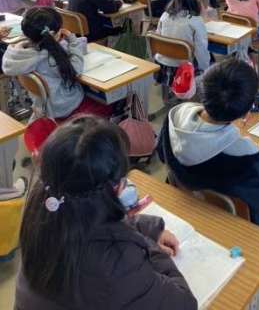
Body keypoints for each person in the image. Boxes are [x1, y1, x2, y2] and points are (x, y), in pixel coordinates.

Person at [15, 116, 197, 310]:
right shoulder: (118, 264)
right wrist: (149, 245)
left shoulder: (44, 205)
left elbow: (88, 221)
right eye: (123, 180)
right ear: (115, 189)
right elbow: (184, 303)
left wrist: (147, 227)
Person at [159, 59, 259, 227]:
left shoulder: (174, 115)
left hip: (187, 198)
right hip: (231, 221)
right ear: (246, 113)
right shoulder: (246, 155)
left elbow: (161, 154)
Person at [2, 7, 85, 119]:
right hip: (63, 106)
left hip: (41, 105)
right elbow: (76, 70)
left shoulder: (17, 54)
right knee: (93, 94)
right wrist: (73, 41)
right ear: (55, 33)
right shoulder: (51, 59)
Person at [156, 0, 210, 73]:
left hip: (163, 66)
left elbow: (158, 38)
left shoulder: (165, 16)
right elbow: (201, 51)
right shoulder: (195, 21)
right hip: (185, 70)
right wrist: (205, 69)